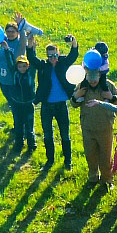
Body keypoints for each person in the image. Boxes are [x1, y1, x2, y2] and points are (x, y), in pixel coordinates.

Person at [28, 35, 78, 169]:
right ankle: (50, 161)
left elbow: (73, 55)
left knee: (65, 134)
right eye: (50, 56)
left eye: (55, 55)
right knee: (48, 135)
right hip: (47, 106)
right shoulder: (43, 66)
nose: (53, 58)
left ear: (59, 53)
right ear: (47, 56)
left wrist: (73, 41)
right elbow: (31, 59)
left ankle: (68, 162)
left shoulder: (63, 63)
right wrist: (30, 44)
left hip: (61, 105)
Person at [71, 68, 117, 188]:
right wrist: (76, 96)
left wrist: (111, 97)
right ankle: (93, 177)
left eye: (95, 78)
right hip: (88, 127)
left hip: (105, 127)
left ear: (100, 75)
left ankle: (107, 179)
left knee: (106, 155)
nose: (92, 81)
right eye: (90, 78)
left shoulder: (108, 85)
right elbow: (74, 104)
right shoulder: (82, 86)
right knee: (90, 154)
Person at [0, 12, 44, 135]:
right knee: (12, 104)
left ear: (17, 32)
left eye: (13, 31)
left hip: (14, 79)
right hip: (3, 80)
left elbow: (24, 39)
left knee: (17, 105)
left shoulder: (20, 42)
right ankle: (17, 125)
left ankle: (21, 128)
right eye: (8, 31)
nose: (10, 33)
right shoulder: (3, 41)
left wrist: (21, 25)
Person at [7, 53, 38, 155]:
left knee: (29, 126)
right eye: (20, 66)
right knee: (18, 126)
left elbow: (33, 60)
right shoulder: (15, 74)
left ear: (28, 66)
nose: (22, 68)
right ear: (17, 67)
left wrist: (32, 48)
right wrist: (7, 50)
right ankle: (19, 144)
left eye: (24, 66)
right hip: (17, 105)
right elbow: (9, 62)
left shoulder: (31, 74)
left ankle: (31, 144)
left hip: (28, 104)